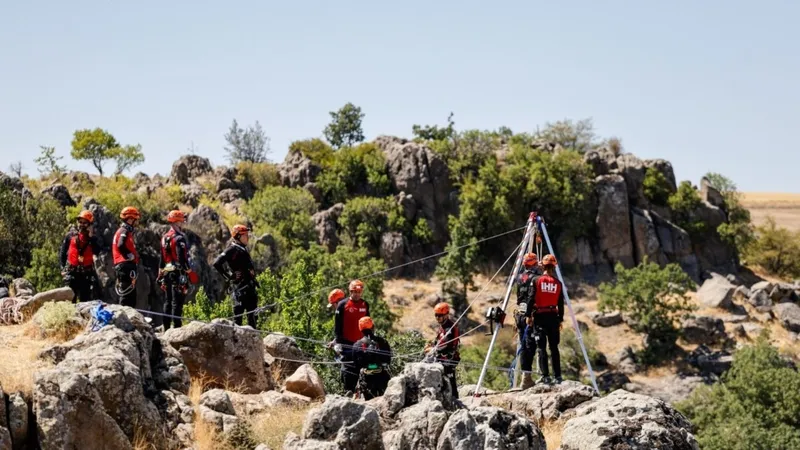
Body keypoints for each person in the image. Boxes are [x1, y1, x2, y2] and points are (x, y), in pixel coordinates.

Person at [521, 254, 564, 386]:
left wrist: (528, 316)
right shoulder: (558, 283)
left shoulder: (536, 280)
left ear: (542, 266)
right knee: (554, 348)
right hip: (553, 317)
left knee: (541, 348)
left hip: (540, 317)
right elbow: (560, 303)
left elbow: (531, 299)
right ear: (554, 267)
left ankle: (545, 376)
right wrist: (560, 319)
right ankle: (558, 376)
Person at [213, 224, 259, 327]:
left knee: (253, 319)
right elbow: (217, 263)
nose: (247, 237)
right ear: (238, 236)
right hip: (239, 290)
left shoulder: (243, 248)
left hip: (250, 289)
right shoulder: (232, 249)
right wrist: (229, 276)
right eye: (245, 235)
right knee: (238, 320)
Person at [158, 210, 195, 330]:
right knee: (177, 302)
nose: (183, 223)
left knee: (168, 301)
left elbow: (162, 259)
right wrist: (189, 273)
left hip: (167, 271)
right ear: (177, 222)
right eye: (181, 221)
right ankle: (177, 329)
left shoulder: (164, 238)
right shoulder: (179, 238)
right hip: (178, 273)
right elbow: (182, 258)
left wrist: (160, 274)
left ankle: (166, 328)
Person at [332, 280, 370, 394]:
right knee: (347, 369)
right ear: (350, 292)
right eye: (355, 292)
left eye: (359, 292)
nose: (357, 294)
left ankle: (361, 392)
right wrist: (338, 342)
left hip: (361, 343)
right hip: (346, 343)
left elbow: (368, 324)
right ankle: (347, 392)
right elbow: (337, 326)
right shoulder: (342, 305)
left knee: (362, 368)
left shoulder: (365, 304)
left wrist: (369, 340)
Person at [59, 210, 102, 303]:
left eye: (85, 223)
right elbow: (62, 252)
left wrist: (91, 237)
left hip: (86, 275)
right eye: (80, 222)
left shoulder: (93, 239)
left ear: (89, 225)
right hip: (71, 273)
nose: (82, 225)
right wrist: (62, 268)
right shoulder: (70, 235)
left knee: (85, 302)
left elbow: (97, 251)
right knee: (70, 301)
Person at [425, 302, 461, 399]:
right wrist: (432, 345)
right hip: (441, 359)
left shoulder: (450, 328)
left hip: (448, 360)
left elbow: (448, 345)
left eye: (440, 315)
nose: (437, 318)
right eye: (436, 315)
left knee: (450, 381)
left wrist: (433, 349)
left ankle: (455, 400)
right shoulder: (443, 326)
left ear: (446, 315)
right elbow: (439, 342)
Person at [352, 316, 392, 400]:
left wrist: (370, 366)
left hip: (366, 381)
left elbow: (356, 366)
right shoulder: (383, 342)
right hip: (382, 378)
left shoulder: (356, 345)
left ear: (360, 329)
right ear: (373, 327)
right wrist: (376, 365)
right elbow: (388, 360)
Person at [112, 206, 141, 308]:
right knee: (127, 295)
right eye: (135, 220)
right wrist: (129, 255)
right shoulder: (124, 231)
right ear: (130, 219)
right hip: (125, 266)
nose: (136, 222)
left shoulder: (122, 231)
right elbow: (120, 245)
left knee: (129, 294)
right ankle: (124, 315)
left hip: (124, 266)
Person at [515, 252, 542, 347]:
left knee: (523, 345)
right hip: (531, 315)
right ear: (535, 264)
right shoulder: (536, 278)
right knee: (531, 346)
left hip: (520, 314)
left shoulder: (520, 277)